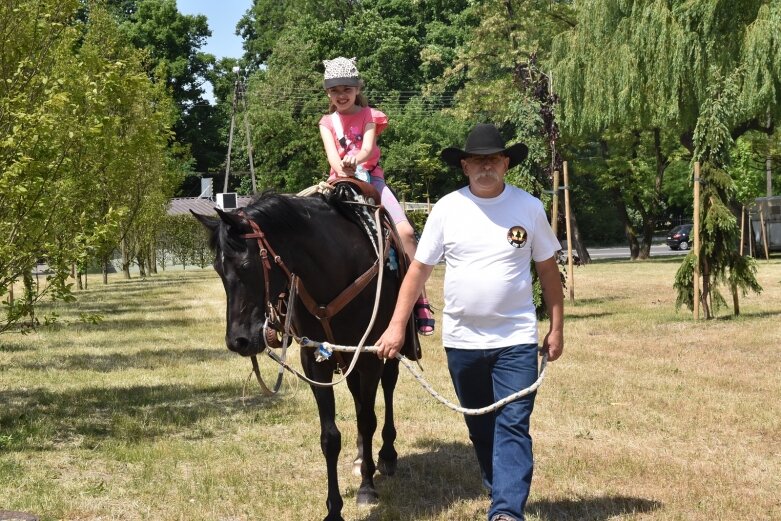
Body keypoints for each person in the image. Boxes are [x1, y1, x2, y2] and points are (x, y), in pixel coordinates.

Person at [375, 123, 564, 521]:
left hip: (516, 338)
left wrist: (557, 326)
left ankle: (507, 511)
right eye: (477, 161)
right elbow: (417, 272)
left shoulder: (529, 208)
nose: (485, 167)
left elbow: (548, 271)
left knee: (513, 422)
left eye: (492, 160)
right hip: (463, 341)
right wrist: (396, 325)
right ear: (464, 166)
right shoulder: (448, 209)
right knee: (480, 425)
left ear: (506, 163)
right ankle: (499, 485)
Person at [318, 56, 434, 335]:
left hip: (372, 181)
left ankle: (419, 297)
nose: (341, 95)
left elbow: (368, 148)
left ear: (358, 88)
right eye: (335, 90)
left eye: (347, 88)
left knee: (405, 232)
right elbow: (332, 158)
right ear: (328, 94)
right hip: (338, 183)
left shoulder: (370, 115)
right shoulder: (327, 122)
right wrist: (342, 167)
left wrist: (356, 159)